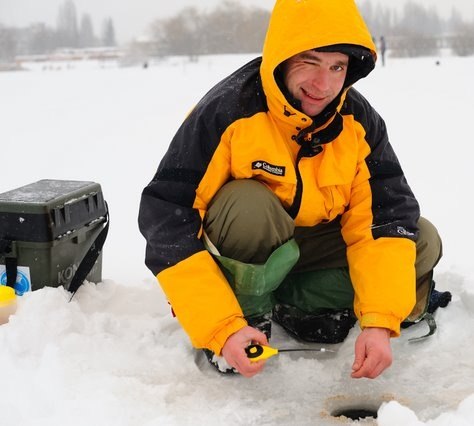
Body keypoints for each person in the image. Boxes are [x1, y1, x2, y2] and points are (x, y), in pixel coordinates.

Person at [139, 0, 450, 380]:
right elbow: (167, 218)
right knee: (248, 205)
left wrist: (379, 321)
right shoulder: (228, 112)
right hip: (247, 250)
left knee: (421, 239)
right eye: (310, 62)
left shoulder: (358, 121)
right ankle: (246, 321)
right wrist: (221, 325)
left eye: (337, 67)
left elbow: (384, 218)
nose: (324, 85)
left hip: (311, 250)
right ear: (281, 59)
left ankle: (306, 308)